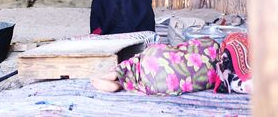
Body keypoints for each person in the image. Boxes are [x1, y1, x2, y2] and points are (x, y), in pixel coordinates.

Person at [91, 37, 220, 95]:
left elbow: (189, 45)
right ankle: (117, 79)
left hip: (154, 64)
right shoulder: (220, 73)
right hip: (159, 78)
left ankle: (107, 77)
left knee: (136, 64)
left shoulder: (212, 44)